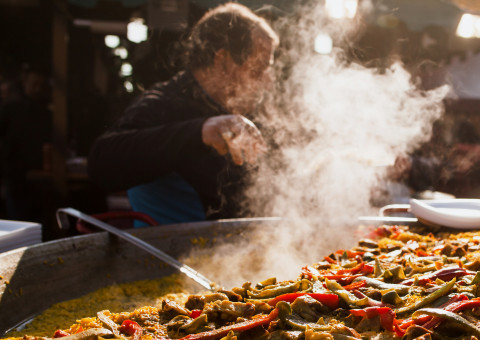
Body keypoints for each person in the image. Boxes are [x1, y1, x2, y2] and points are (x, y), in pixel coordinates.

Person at [88, 3, 278, 225]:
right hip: (171, 245)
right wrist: (200, 132)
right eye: (259, 68)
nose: (268, 83)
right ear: (223, 61)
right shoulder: (164, 104)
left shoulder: (240, 113)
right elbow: (101, 163)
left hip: (235, 242)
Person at [0, 64, 51, 222]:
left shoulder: (45, 112)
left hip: (39, 179)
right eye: (34, 84)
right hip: (15, 177)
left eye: (41, 85)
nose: (37, 89)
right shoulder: (10, 108)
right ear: (25, 84)